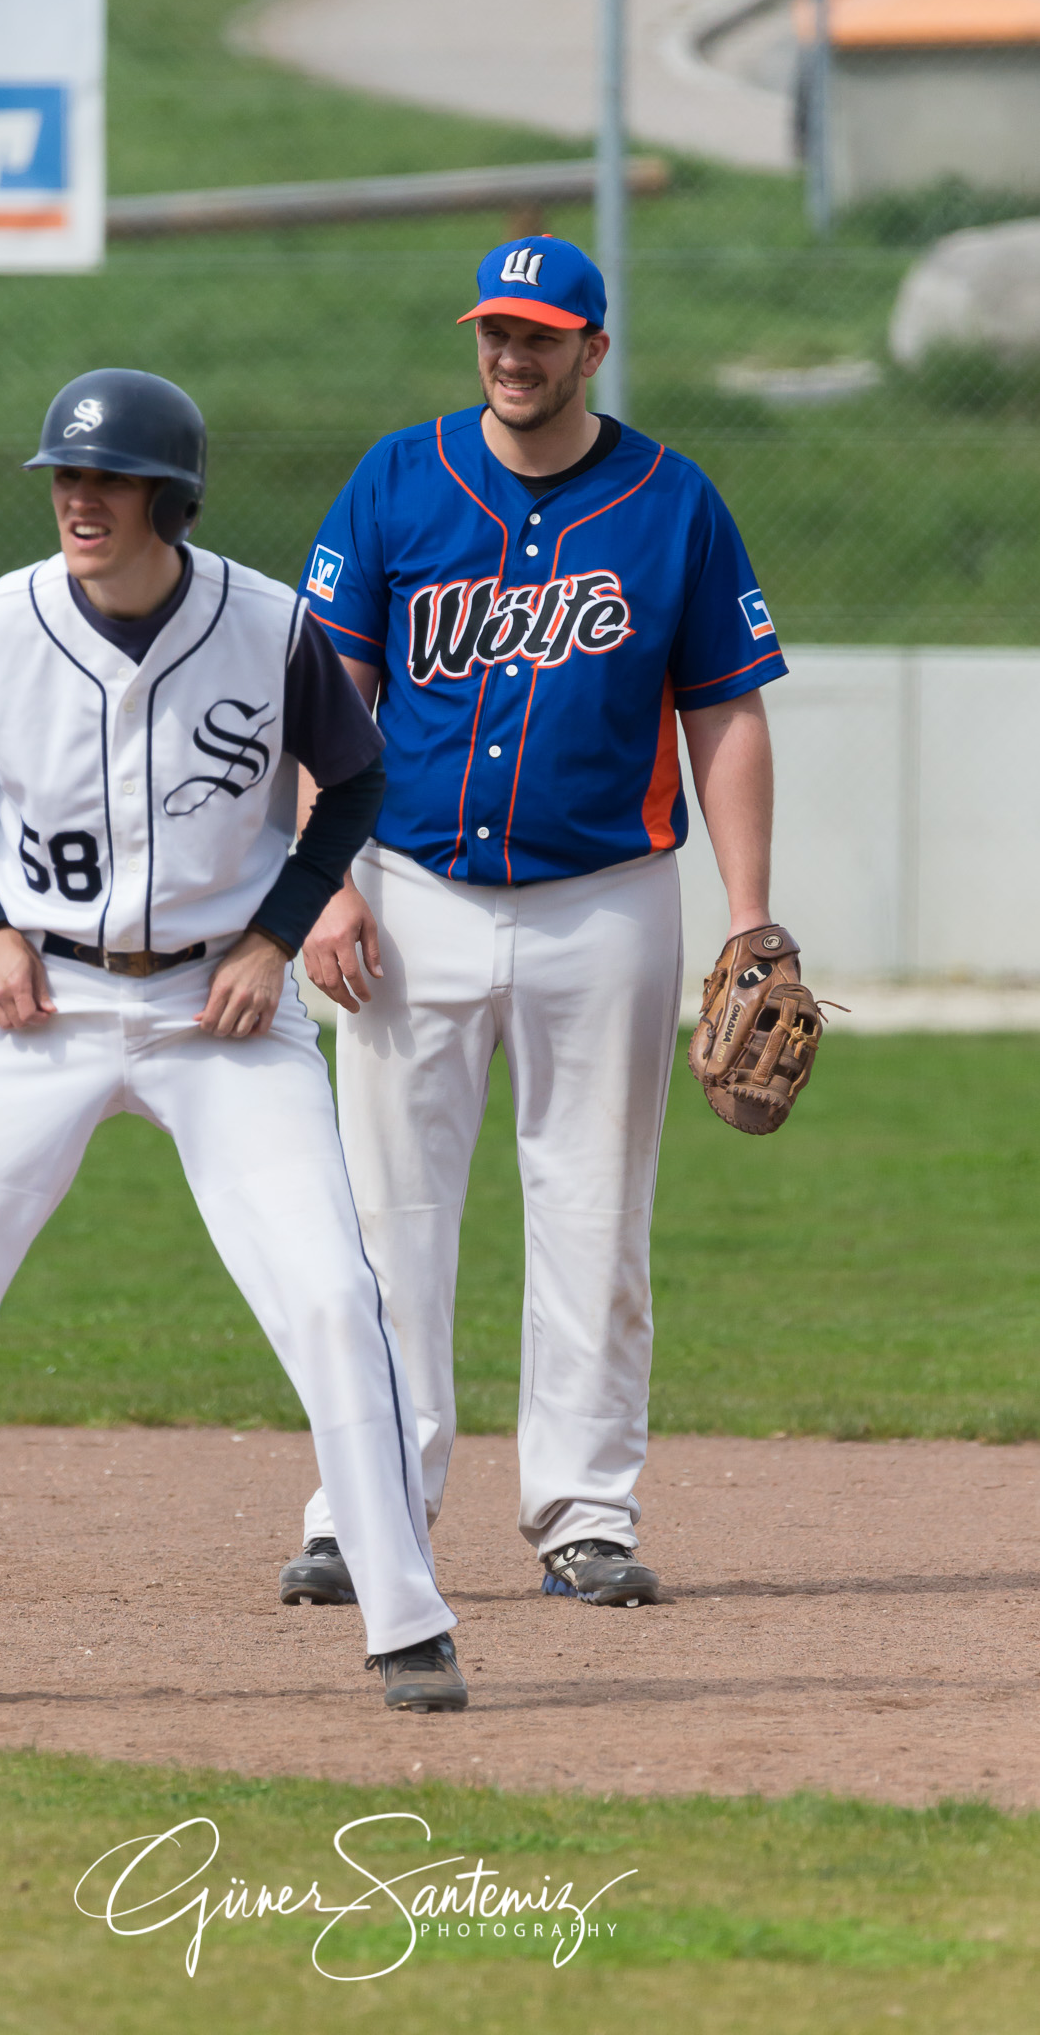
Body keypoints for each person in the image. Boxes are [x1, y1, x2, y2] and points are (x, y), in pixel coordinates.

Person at [0, 368, 466, 1715]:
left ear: (169, 498)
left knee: (325, 1292)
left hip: (219, 1018)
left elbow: (356, 778)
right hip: (39, 1010)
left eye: (109, 478)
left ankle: (406, 1618)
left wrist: (272, 936)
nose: (80, 497)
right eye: (66, 477)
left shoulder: (270, 626)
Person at [279, 238, 788, 1612]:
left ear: (591, 351)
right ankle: (365, 1506)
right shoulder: (398, 478)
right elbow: (326, 692)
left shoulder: (669, 502)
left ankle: (586, 1514)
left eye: (542, 335)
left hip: (603, 897)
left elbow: (724, 709)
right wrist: (319, 882)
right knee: (385, 1220)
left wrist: (747, 917)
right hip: (407, 890)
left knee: (592, 1215)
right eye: (495, 331)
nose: (512, 354)